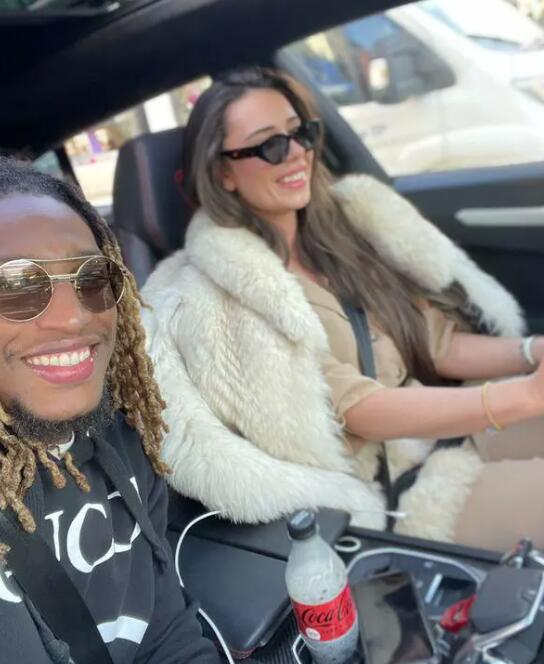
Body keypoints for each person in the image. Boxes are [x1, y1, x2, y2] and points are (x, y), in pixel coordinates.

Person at [142, 67, 544, 552]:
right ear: (223, 172)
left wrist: (530, 351)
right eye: (270, 145)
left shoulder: (341, 232)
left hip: (438, 433)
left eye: (300, 133)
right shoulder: (223, 298)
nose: (296, 153)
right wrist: (522, 398)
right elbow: (358, 409)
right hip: (399, 497)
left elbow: (433, 341)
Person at [0, 157, 220, 663]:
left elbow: (169, 638)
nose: (74, 317)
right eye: (16, 285)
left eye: (91, 278)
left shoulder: (123, 442)